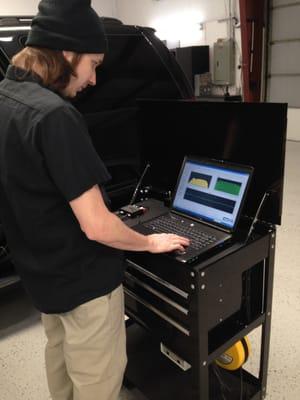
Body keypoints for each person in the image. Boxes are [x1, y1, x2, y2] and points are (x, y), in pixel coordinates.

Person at [0, 1, 189, 399]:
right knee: (97, 384)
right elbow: (97, 225)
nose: (94, 79)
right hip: (84, 284)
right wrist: (149, 242)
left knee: (63, 366)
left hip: (44, 280)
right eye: (94, 63)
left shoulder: (7, 96)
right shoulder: (55, 116)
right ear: (67, 52)